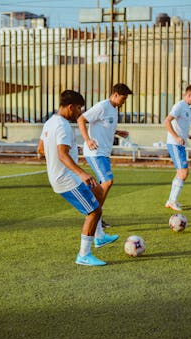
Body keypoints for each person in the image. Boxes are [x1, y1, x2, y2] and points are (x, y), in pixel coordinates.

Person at [37, 89, 109, 267]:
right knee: (94, 211)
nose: (80, 113)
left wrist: (61, 159)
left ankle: (99, 236)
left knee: (98, 191)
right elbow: (62, 155)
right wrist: (81, 173)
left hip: (68, 174)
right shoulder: (62, 126)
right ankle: (84, 255)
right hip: (65, 179)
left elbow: (40, 150)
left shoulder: (50, 122)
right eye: (78, 108)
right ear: (70, 107)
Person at [77, 83, 133, 245]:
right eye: (123, 98)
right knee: (108, 182)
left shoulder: (115, 109)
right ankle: (93, 215)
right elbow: (81, 119)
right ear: (115, 94)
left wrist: (117, 131)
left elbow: (103, 125)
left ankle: (97, 223)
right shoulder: (102, 106)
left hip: (104, 153)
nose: (124, 101)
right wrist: (87, 140)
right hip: (95, 152)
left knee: (102, 185)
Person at [164, 84, 191, 211]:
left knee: (180, 173)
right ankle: (172, 201)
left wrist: (187, 136)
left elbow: (179, 125)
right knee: (184, 173)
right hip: (175, 144)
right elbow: (167, 121)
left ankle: (171, 201)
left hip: (179, 144)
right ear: (189, 94)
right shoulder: (179, 106)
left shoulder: (186, 107)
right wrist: (176, 137)